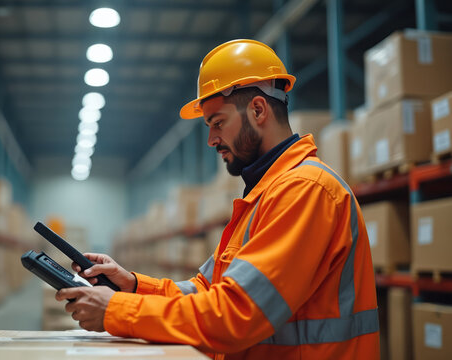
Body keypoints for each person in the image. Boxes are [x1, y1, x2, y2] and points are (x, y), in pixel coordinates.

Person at [56, 39, 380, 359]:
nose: (212, 139)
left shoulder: (306, 192)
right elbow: (206, 291)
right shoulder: (264, 195)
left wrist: (118, 311)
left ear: (257, 110)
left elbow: (236, 314)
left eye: (218, 123)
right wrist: (133, 285)